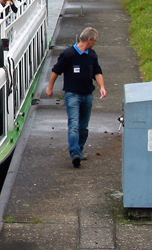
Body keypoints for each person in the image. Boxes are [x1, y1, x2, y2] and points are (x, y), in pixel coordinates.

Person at [45, 27, 107, 168]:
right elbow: (56, 71)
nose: (95, 44)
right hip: (72, 94)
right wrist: (50, 87)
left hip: (87, 94)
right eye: (95, 41)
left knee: (83, 126)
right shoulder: (68, 54)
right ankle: (75, 154)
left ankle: (79, 148)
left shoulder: (92, 55)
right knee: (74, 124)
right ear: (89, 40)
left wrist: (102, 87)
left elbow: (97, 72)